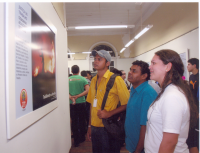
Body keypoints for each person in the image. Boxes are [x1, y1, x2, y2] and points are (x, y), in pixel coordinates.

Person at [144, 49, 198, 153]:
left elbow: (170, 142)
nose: (149, 67)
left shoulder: (172, 96)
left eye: (153, 63)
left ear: (168, 67)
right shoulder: (167, 91)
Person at [86, 50, 130, 153]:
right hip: (95, 127)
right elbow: (92, 105)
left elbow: (127, 103)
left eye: (99, 59)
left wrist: (109, 113)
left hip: (109, 127)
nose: (95, 61)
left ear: (107, 63)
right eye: (95, 59)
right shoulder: (93, 80)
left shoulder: (116, 79)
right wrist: (89, 126)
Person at [125, 60, 158, 153]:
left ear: (144, 76)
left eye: (134, 71)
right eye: (130, 70)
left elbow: (146, 125)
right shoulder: (134, 90)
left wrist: (138, 150)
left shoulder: (147, 93)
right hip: (133, 143)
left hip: (141, 148)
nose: (129, 73)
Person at [69, 65, 90, 147]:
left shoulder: (67, 80)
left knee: (74, 121)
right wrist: (78, 96)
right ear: (79, 71)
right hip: (81, 102)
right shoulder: (83, 79)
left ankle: (76, 140)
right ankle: (82, 138)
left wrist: (70, 97)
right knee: (82, 120)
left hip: (71, 103)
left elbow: (64, 90)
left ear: (71, 71)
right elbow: (87, 90)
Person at [186, 58, 199, 153]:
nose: (187, 66)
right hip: (193, 108)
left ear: (195, 65)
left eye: (189, 64)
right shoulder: (191, 77)